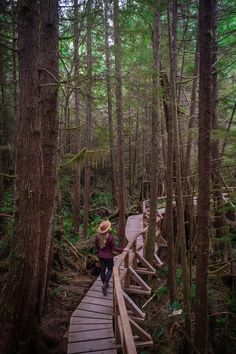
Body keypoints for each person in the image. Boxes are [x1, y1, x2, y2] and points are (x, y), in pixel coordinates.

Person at [95, 220, 128, 295]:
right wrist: (123, 249)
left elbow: (96, 247)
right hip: (109, 257)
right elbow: (114, 248)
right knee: (110, 270)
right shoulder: (110, 237)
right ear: (108, 229)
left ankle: (104, 284)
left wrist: (100, 252)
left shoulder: (97, 237)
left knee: (102, 270)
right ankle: (105, 284)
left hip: (100, 256)